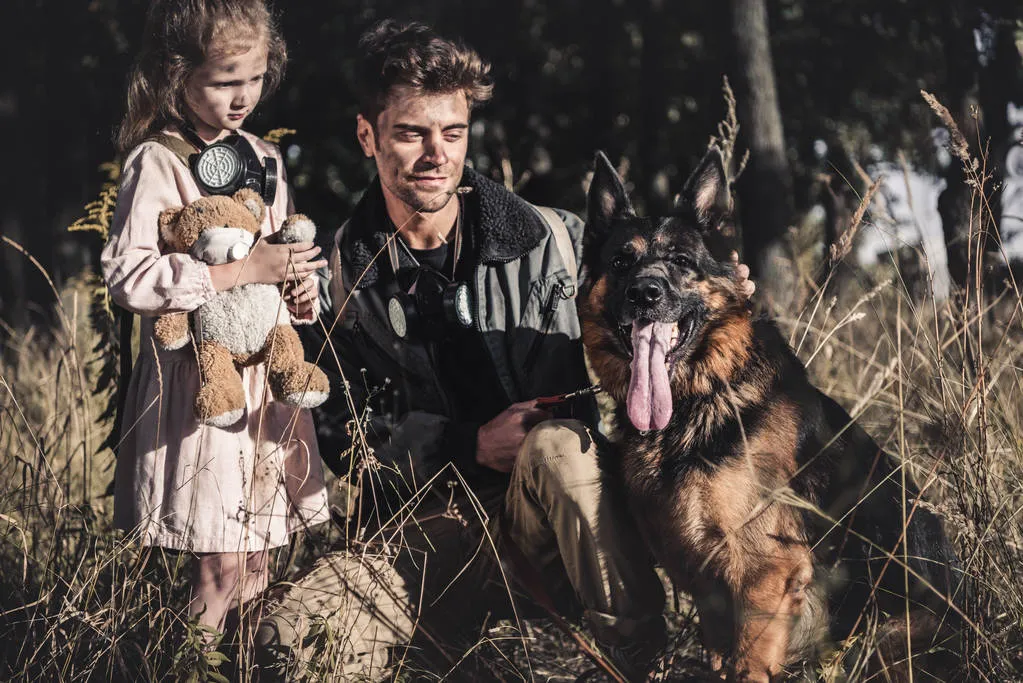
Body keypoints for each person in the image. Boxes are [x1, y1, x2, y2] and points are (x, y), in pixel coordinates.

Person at [255, 20, 674, 681]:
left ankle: (642, 660)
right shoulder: (336, 271)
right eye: (411, 132)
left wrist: (710, 295)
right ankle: (438, 644)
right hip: (424, 534)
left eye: (452, 132)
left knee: (559, 446)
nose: (436, 153)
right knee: (290, 642)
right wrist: (466, 443)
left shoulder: (550, 241)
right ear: (367, 135)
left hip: (552, 528)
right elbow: (340, 433)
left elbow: (651, 308)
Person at [101, 0, 330, 636]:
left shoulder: (265, 159)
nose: (243, 96)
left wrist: (300, 293)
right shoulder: (159, 161)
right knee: (219, 570)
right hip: (200, 390)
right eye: (225, 79)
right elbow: (128, 274)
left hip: (265, 392)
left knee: (258, 562)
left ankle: (248, 669)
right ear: (178, 75)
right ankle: (182, 666)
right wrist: (233, 274)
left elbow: (278, 266)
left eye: (254, 78)